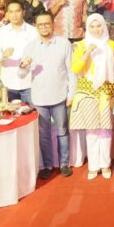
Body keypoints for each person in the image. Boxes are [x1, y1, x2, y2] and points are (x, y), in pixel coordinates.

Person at [25, 11, 75, 179]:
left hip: (60, 95)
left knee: (62, 131)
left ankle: (64, 164)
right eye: (40, 24)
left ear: (53, 24)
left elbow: (71, 71)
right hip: (39, 97)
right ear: (35, 26)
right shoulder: (30, 46)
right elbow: (20, 74)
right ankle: (47, 165)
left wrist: (71, 94)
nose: (44, 27)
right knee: (44, 134)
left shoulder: (63, 43)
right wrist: (23, 66)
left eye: (47, 23)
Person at [70, 14, 114, 180]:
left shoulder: (111, 45)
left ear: (104, 26)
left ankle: (105, 164)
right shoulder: (81, 45)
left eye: (99, 26)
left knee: (106, 129)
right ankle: (93, 166)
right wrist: (86, 53)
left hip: (106, 90)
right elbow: (76, 68)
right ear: (87, 28)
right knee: (91, 130)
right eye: (92, 26)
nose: (96, 30)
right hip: (87, 90)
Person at [0, 1, 38, 103]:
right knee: (10, 116)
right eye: (11, 12)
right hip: (9, 83)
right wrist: (3, 55)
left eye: (17, 11)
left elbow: (40, 54)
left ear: (23, 12)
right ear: (7, 14)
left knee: (33, 116)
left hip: (30, 83)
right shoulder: (1, 32)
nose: (14, 15)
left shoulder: (34, 32)